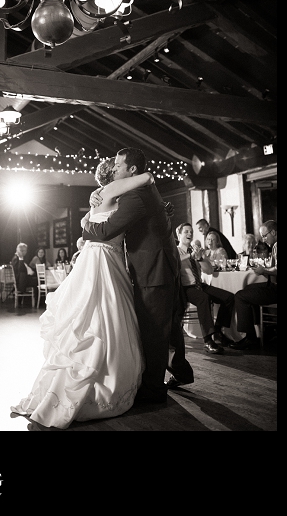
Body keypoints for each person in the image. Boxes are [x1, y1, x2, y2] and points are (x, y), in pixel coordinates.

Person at [10, 158, 153, 428]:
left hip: (97, 257)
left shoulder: (97, 196)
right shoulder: (111, 191)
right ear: (114, 175)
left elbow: (91, 227)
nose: (122, 171)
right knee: (102, 316)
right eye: (119, 168)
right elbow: (146, 179)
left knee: (91, 316)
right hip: (104, 260)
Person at [81, 148, 187, 404]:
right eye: (113, 166)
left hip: (153, 269)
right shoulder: (135, 193)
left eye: (118, 165)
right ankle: (180, 372)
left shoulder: (136, 195)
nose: (115, 169)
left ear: (132, 170)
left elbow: (106, 230)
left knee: (154, 330)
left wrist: (85, 226)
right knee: (165, 325)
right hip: (157, 265)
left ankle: (153, 391)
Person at [173, 223, 234, 355]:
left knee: (229, 298)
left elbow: (209, 271)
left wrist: (200, 258)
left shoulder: (196, 251)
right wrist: (191, 256)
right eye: (186, 232)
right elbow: (175, 262)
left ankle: (217, 330)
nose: (190, 234)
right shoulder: (175, 251)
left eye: (191, 232)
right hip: (186, 288)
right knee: (203, 298)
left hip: (201, 285)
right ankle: (208, 340)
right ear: (179, 235)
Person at [230, 220, 277, 350]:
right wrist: (266, 267)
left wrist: (264, 271)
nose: (263, 239)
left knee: (240, 296)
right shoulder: (274, 246)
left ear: (273, 232)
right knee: (248, 289)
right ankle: (264, 331)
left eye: (264, 235)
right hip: (272, 285)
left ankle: (250, 338)